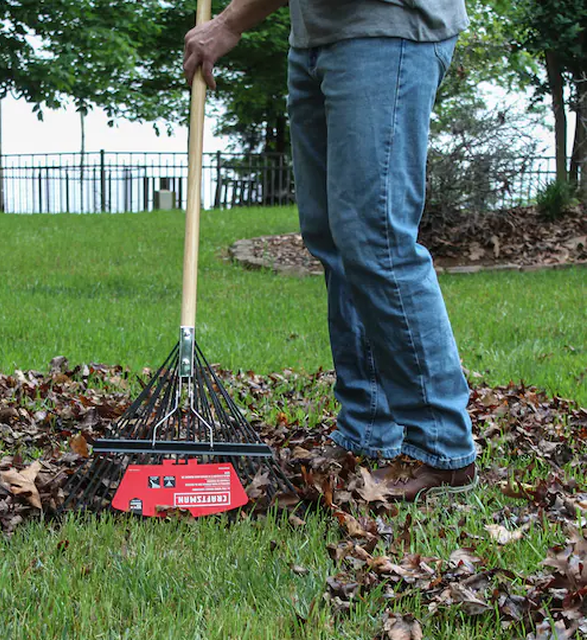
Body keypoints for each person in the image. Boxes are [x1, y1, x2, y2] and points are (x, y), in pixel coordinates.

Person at [183, 0, 478, 501]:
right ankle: (367, 428)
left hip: (386, 28)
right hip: (317, 36)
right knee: (334, 241)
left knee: (375, 237)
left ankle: (443, 448)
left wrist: (229, 23)